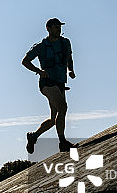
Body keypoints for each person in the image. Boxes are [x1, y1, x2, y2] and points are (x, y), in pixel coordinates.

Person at [22, 18, 76, 154]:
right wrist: (39, 71)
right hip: (47, 83)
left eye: (60, 27)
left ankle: (33, 136)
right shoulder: (41, 46)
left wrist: (71, 70)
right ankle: (62, 142)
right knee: (63, 107)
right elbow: (25, 61)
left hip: (60, 83)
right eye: (56, 27)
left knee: (54, 118)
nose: (59, 29)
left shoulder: (65, 43)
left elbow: (69, 58)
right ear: (48, 29)